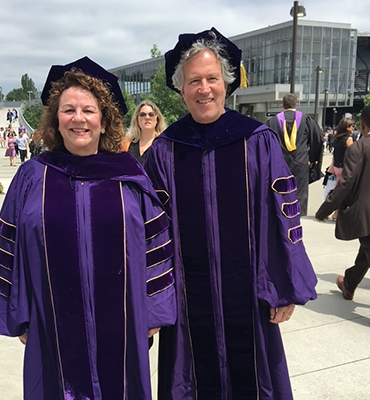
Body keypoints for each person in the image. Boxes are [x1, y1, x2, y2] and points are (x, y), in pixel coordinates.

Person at [0, 56, 176, 400]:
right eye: (68, 109)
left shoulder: (130, 176)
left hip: (122, 324)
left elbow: (156, 245)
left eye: (88, 110)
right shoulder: (32, 176)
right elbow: (8, 246)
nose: (78, 118)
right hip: (52, 324)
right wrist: (19, 313)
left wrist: (155, 310)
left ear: (104, 121)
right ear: (54, 121)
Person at [145, 27, 317, 400]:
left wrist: (282, 286)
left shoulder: (257, 140)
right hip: (188, 306)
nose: (204, 88)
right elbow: (149, 233)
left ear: (227, 82)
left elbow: (283, 218)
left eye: (212, 78)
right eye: (194, 81)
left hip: (249, 302)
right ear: (181, 88)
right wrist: (153, 302)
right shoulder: (164, 151)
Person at [315, 106, 370, 301]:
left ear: (363, 125)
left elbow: (345, 184)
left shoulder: (359, 147)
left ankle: (349, 284)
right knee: (365, 252)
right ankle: (349, 284)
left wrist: (324, 209)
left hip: (366, 215)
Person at [267, 93, 323, 216]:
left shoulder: (273, 122)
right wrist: (313, 159)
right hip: (301, 163)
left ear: (282, 106)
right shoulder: (306, 120)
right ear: (296, 105)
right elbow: (317, 139)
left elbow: (266, 143)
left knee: (280, 192)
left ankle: (281, 216)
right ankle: (297, 220)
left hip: (279, 164)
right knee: (299, 194)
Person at [327, 118, 354, 220]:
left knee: (338, 191)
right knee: (342, 192)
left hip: (336, 167)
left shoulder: (336, 138)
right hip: (345, 168)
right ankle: (335, 213)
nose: (353, 128)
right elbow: (353, 154)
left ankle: (334, 212)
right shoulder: (348, 139)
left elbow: (334, 154)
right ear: (347, 127)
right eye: (352, 126)